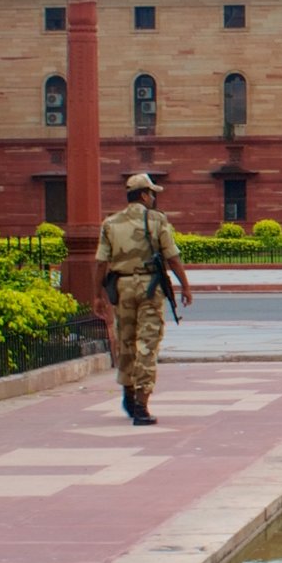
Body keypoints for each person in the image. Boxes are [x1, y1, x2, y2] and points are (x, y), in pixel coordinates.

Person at [95, 172, 193, 424]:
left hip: (121, 286)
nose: (153, 198)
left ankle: (127, 393)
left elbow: (101, 263)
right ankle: (141, 403)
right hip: (149, 286)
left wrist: (98, 295)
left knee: (125, 340)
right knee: (148, 343)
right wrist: (185, 286)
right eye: (151, 193)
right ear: (142, 195)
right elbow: (172, 257)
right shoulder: (157, 220)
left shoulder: (111, 223)